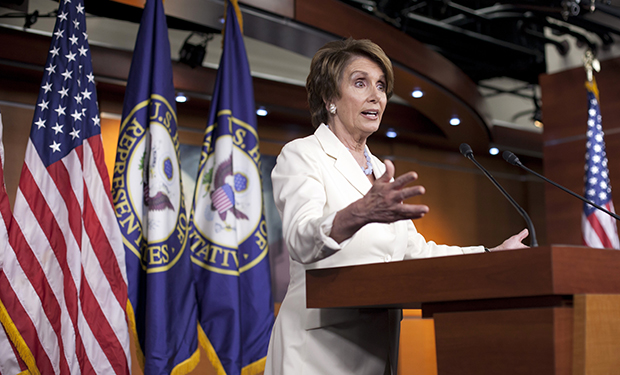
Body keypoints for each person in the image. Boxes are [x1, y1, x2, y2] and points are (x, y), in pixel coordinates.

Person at [263, 38, 529, 375]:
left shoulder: (379, 170)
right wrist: (362, 212)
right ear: (329, 98)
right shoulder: (303, 155)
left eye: (381, 86)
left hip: (376, 348)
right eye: (360, 83)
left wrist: (490, 255)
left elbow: (416, 253)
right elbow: (301, 239)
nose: (376, 95)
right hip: (316, 354)